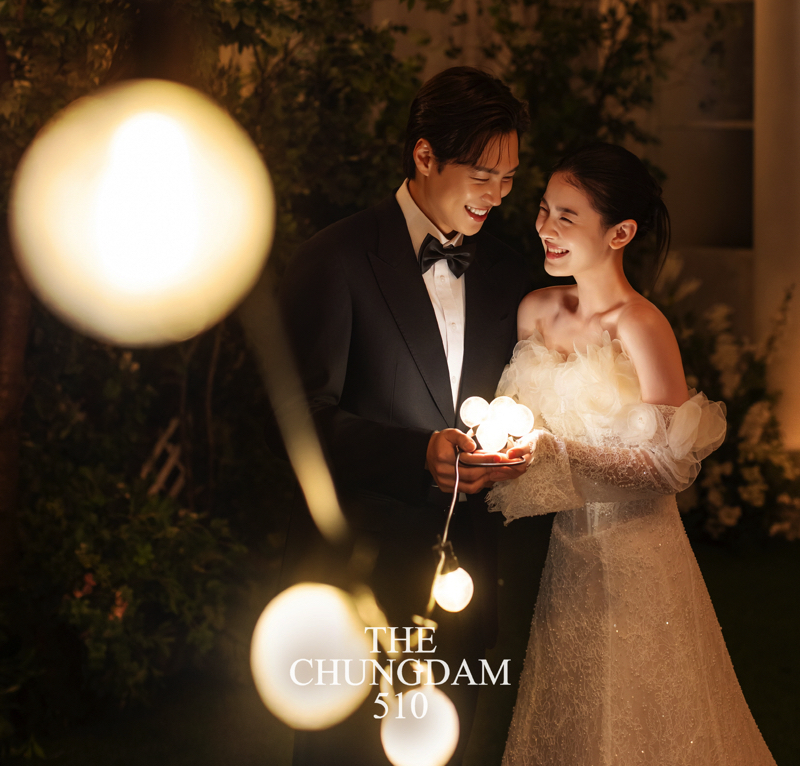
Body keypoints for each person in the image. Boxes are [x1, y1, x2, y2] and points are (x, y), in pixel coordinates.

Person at [279, 66, 538, 766]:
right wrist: (415, 454)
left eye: (509, 179)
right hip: (358, 587)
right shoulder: (335, 259)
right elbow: (296, 421)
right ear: (425, 155)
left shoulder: (508, 273)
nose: (498, 195)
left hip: (464, 589)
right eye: (483, 175)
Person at [489, 142, 777, 766]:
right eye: (543, 209)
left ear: (619, 233)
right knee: (573, 711)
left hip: (641, 554)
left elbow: (670, 467)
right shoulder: (536, 310)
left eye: (567, 216)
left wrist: (558, 452)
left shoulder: (642, 325)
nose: (545, 227)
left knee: (649, 720)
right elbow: (518, 422)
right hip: (567, 552)